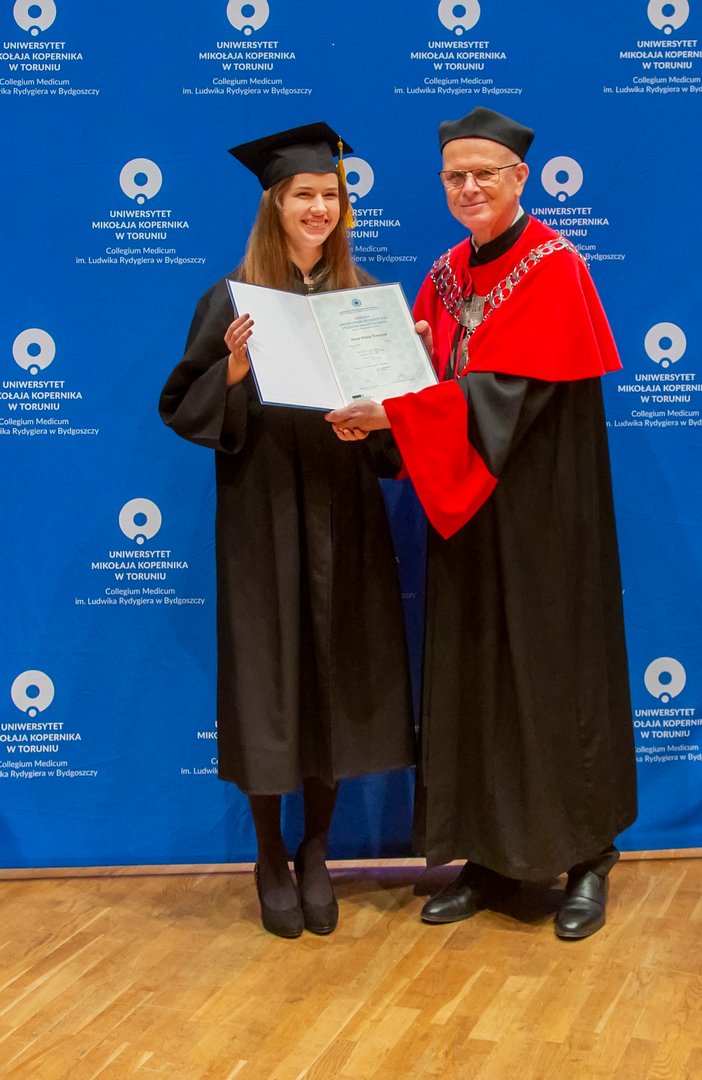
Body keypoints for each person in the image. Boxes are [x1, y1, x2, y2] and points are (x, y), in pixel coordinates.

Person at [326, 106, 638, 940]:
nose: (469, 188)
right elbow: (428, 379)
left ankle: (587, 856)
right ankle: (490, 858)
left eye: (484, 174)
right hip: (466, 517)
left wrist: (402, 411)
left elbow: (509, 396)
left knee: (554, 676)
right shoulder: (445, 274)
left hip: (544, 519)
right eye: (455, 176)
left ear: (519, 178)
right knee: (474, 678)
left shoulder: (556, 268)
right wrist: (389, 396)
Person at [159, 123, 414, 939]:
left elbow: (396, 435)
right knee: (269, 682)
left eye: (330, 195)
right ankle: (269, 853)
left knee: (334, 674)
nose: (319, 208)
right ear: (276, 203)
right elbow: (182, 405)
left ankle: (317, 849)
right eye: (305, 194)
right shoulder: (233, 299)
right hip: (262, 516)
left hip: (343, 512)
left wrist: (390, 399)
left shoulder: (363, 299)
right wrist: (234, 370)